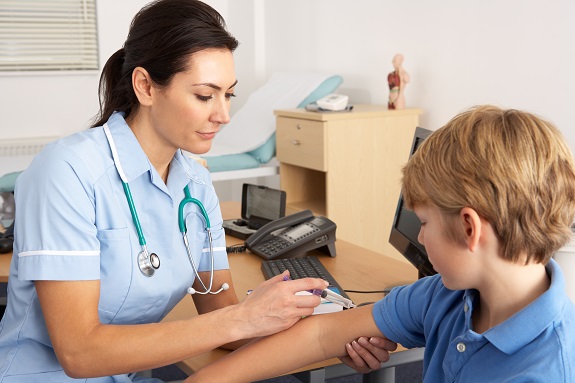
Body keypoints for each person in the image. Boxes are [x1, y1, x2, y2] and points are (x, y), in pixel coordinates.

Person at [0, 1, 334, 382]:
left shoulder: (195, 183)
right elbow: (79, 353)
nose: (223, 115)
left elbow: (218, 312)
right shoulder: (67, 172)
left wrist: (324, 328)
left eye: (230, 95)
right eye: (206, 96)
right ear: (145, 86)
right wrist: (242, 318)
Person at [185, 105, 575, 383]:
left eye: (424, 224)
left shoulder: (546, 370)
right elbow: (321, 334)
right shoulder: (445, 295)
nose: (419, 237)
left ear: (470, 229)